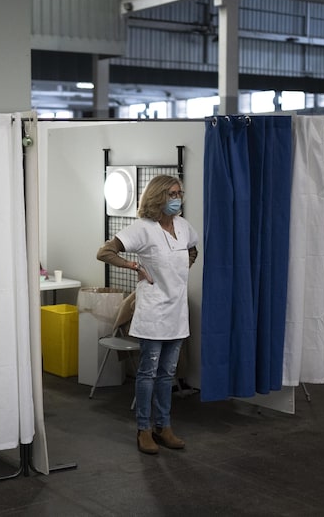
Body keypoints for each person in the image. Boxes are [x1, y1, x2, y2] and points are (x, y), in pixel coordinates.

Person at [96, 174, 199, 455]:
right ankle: (143, 429)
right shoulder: (142, 229)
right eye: (172, 194)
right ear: (158, 197)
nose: (178, 199)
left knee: (168, 374)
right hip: (153, 312)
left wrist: (184, 269)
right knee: (148, 373)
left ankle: (163, 427)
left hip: (177, 312)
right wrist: (134, 267)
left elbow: (193, 249)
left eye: (179, 193)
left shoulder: (183, 226)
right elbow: (105, 252)